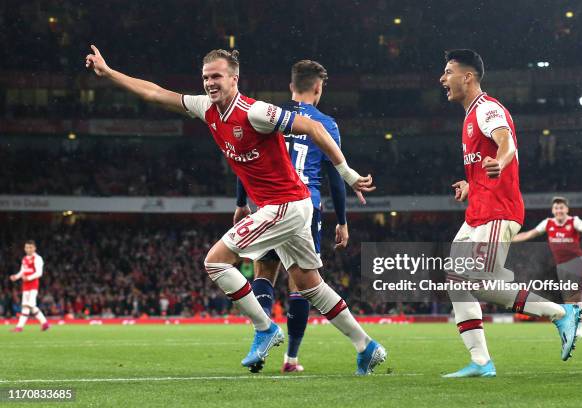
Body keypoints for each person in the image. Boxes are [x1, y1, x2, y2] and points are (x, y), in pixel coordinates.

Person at [85, 45, 386, 375]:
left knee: (215, 262)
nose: (210, 83)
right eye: (205, 77)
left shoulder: (256, 112)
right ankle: (366, 346)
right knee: (309, 284)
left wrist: (348, 174)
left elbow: (314, 128)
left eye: (216, 76)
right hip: (289, 205)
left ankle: (265, 329)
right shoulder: (206, 108)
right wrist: (110, 73)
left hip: (285, 205)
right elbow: (157, 94)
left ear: (234, 78)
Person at [439, 49, 582, 378]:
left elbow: (507, 145)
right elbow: (487, 164)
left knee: (477, 281)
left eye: (448, 72)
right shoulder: (470, 115)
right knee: (457, 280)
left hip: (498, 211)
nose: (442, 79)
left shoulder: (488, 109)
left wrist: (499, 162)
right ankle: (480, 362)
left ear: (468, 77)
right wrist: (471, 187)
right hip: (479, 209)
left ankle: (560, 312)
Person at [234, 59, 348, 373]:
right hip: (304, 205)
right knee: (301, 285)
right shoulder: (325, 123)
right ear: (318, 87)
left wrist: (241, 202)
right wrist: (342, 220)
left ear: (290, 86)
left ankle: (261, 345)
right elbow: (336, 176)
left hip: (266, 203)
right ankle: (291, 359)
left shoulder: (271, 115)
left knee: (263, 274)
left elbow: (247, 159)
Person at [513, 196, 582, 337]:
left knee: (574, 296)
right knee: (570, 300)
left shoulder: (574, 221)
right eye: (556, 208)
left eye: (561, 207)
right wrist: (509, 239)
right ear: (553, 210)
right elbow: (529, 234)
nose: (559, 210)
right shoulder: (548, 223)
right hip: (561, 266)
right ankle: (577, 325)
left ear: (566, 209)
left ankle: (578, 327)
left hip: (576, 262)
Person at [9, 240, 50, 332]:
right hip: (25, 285)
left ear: (34, 248)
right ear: (24, 248)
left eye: (30, 247)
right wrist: (16, 276)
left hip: (33, 284)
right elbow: (22, 271)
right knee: (26, 305)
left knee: (29, 305)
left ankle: (21, 326)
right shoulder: (25, 259)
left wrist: (29, 278)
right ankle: (43, 324)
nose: (28, 249)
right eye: (27, 247)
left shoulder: (38, 258)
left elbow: (39, 273)